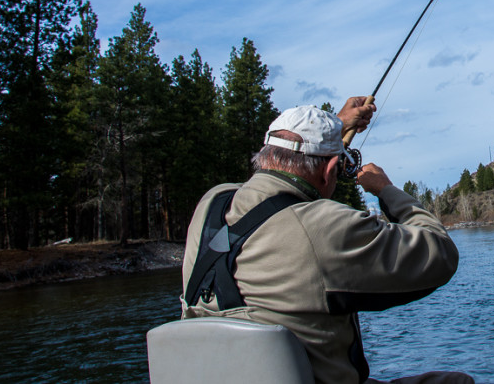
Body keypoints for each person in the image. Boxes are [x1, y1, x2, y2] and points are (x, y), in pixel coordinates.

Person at [181, 97, 473, 384]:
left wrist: (335, 128)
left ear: (266, 153)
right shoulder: (324, 227)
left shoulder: (212, 203)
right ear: (332, 169)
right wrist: (385, 189)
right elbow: (439, 252)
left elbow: (278, 187)